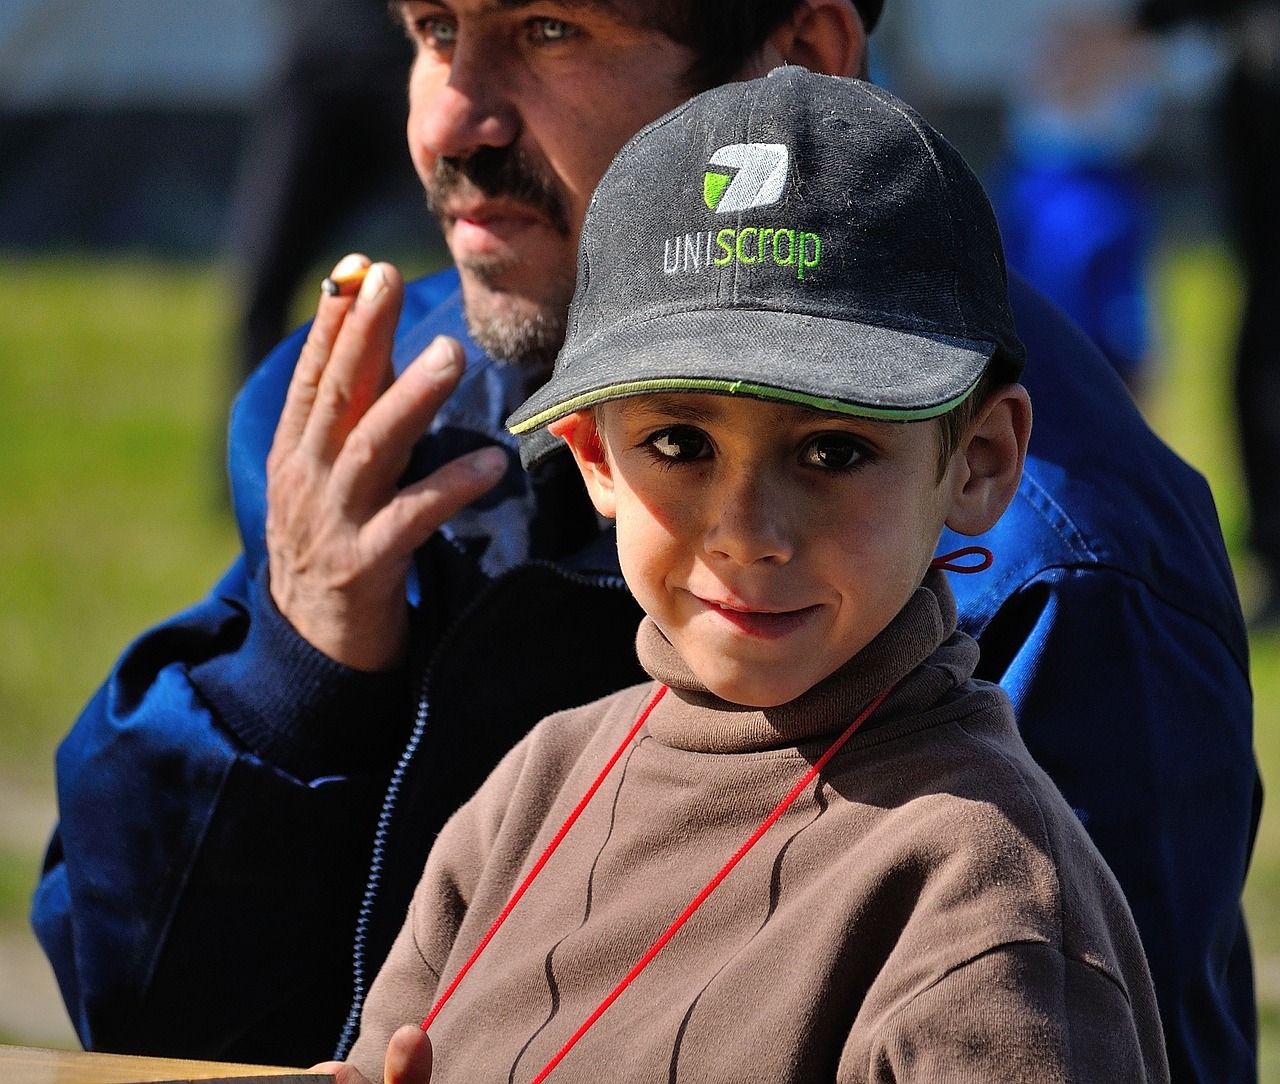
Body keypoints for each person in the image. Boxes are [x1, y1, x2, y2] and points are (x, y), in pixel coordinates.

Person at [31, 2, 1256, 1080]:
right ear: (590, 450)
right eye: (430, 28)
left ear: (803, 53)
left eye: (550, 29)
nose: (450, 123)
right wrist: (288, 691)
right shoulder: (397, 429)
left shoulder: (1064, 597)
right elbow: (140, 1015)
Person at [317, 69, 1169, 1084]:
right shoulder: (529, 794)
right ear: (592, 455)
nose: (747, 534)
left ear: (978, 459)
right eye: (678, 442)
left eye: (832, 452)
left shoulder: (979, 893)